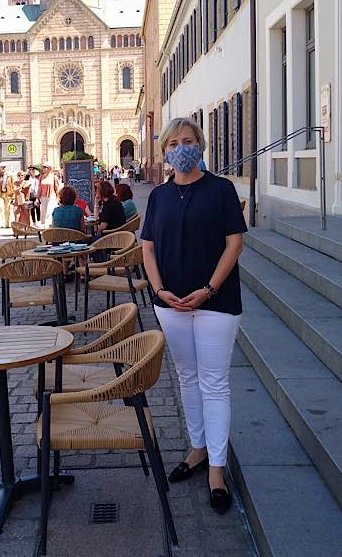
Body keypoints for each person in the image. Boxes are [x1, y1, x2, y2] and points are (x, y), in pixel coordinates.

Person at [140, 117, 247, 515]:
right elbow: (147, 248)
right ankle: (198, 448)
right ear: (165, 150)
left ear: (200, 145)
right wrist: (158, 290)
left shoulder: (220, 189)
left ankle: (217, 470)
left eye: (188, 141)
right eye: (174, 143)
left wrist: (208, 289)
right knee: (187, 377)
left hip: (215, 303)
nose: (180, 147)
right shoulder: (159, 196)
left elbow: (233, 244)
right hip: (170, 304)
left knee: (215, 383)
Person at [0, 162, 15, 229]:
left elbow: (12, 186)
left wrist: (13, 195)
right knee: (1, 208)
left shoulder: (10, 176)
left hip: (8, 194)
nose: (3, 169)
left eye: (4, 167)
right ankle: (0, 224)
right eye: (1, 167)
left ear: (6, 168)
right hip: (0, 194)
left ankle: (7, 224)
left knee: (7, 209)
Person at [37, 162, 58, 228]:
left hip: (51, 197)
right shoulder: (41, 177)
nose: (44, 168)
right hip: (43, 197)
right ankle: (43, 227)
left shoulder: (54, 177)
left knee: (49, 212)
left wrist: (58, 198)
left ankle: (48, 227)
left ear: (49, 168)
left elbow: (56, 188)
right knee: (43, 212)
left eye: (46, 167)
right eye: (43, 167)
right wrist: (37, 198)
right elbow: (39, 188)